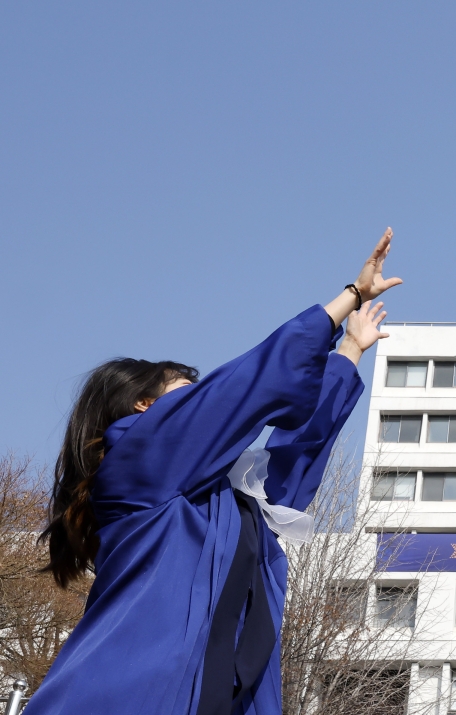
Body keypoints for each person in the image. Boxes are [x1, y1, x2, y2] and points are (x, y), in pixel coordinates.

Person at [26, 230, 403, 715]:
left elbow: (293, 466)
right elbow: (241, 389)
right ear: (145, 406)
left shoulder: (228, 497)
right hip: (126, 695)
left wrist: (348, 351)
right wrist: (347, 297)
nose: (198, 396)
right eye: (186, 389)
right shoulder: (138, 463)